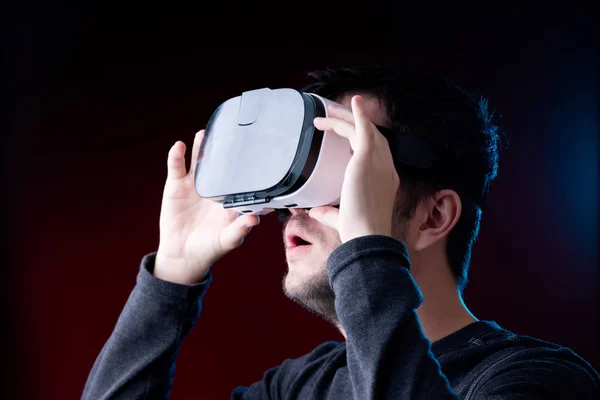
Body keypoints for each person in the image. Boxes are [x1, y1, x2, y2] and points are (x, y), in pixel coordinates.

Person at [82, 66, 600, 399]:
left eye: (342, 173)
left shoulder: (534, 381)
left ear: (434, 216)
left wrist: (367, 253)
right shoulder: (299, 386)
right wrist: (171, 276)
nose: (293, 209)